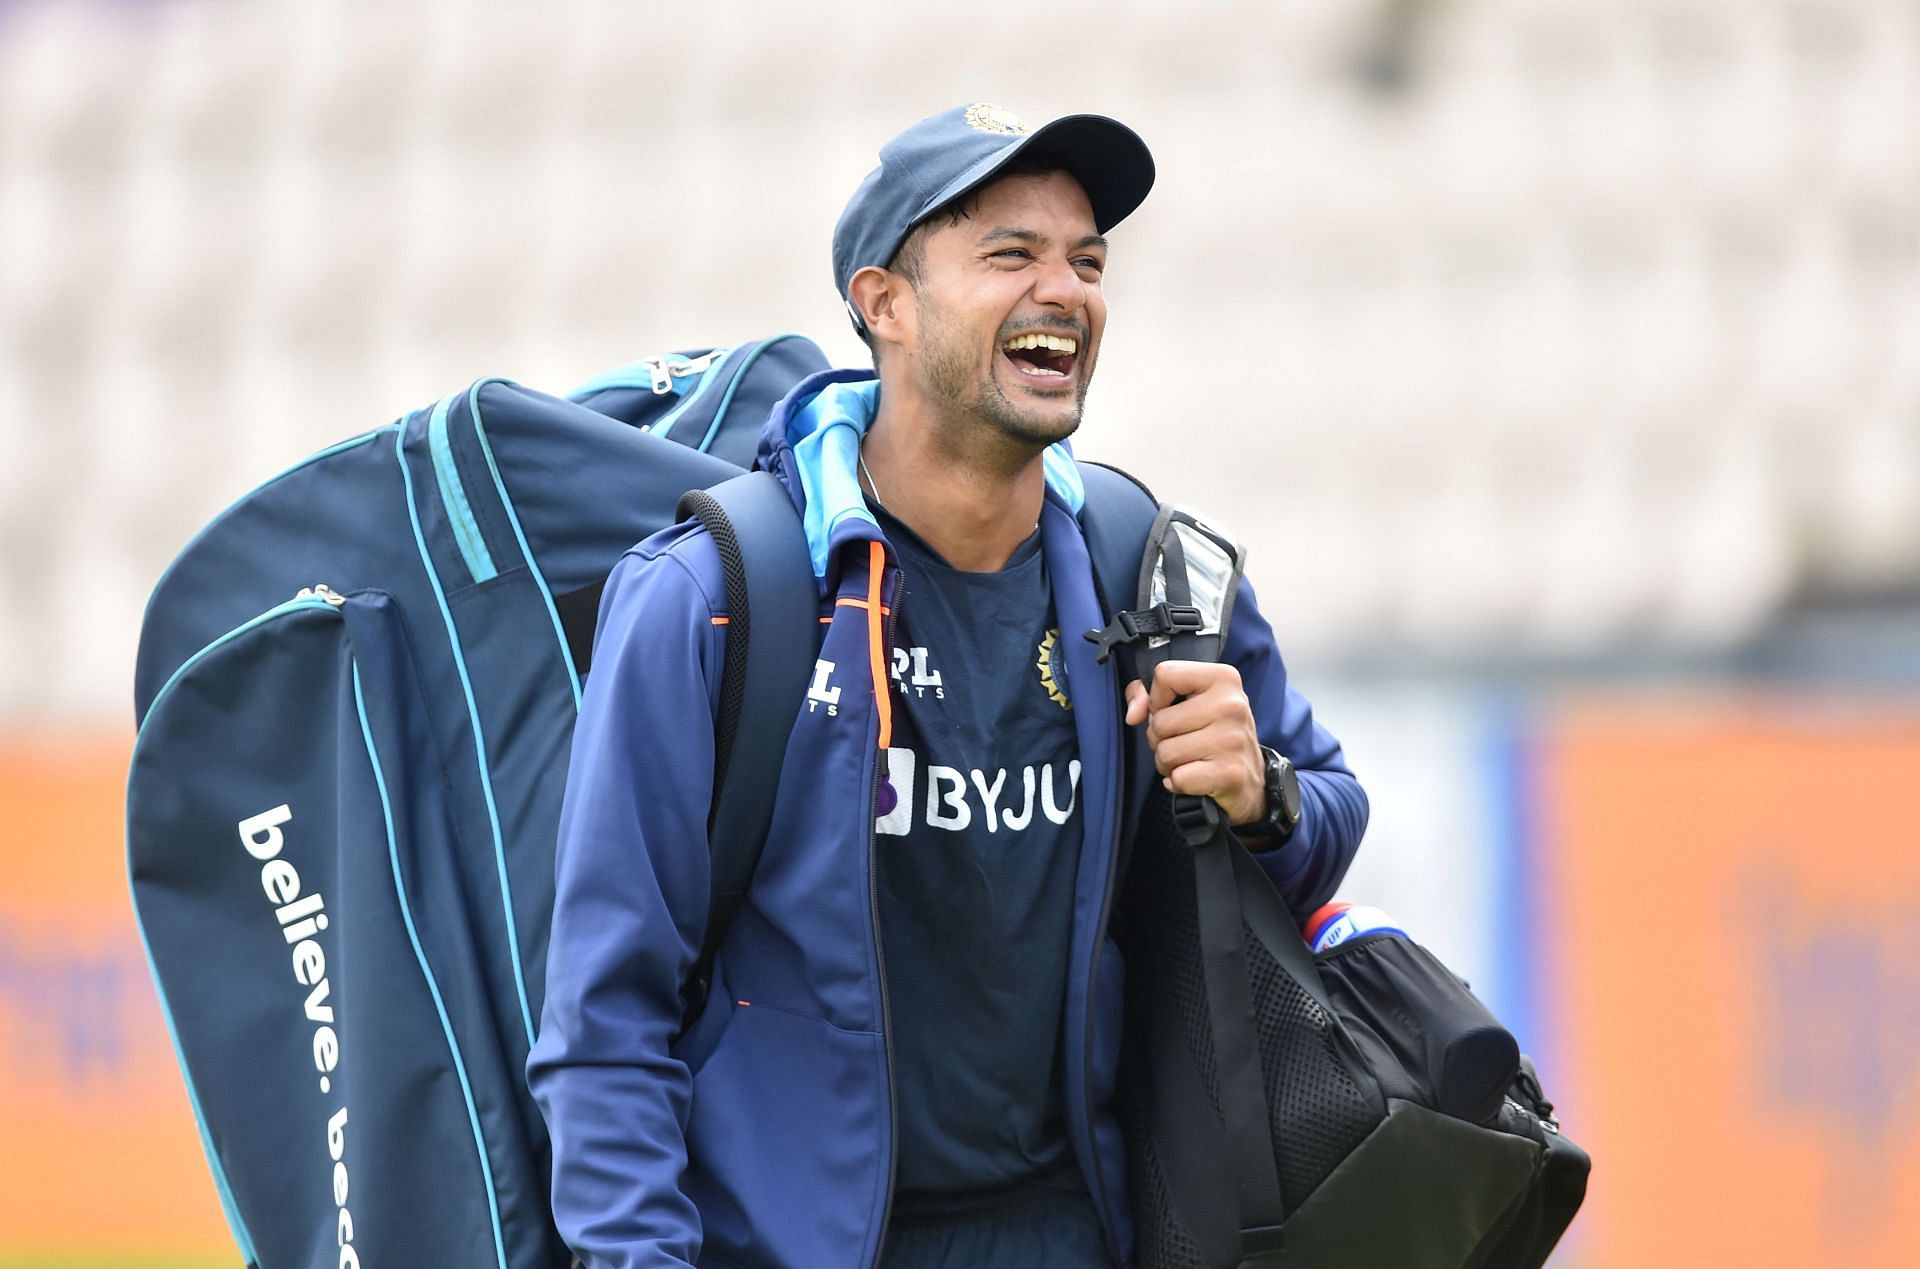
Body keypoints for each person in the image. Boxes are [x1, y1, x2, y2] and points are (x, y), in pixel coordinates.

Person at [527, 102, 1369, 1269]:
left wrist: (1260, 794)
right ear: (885, 305)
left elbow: (1326, 812)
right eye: (1010, 255)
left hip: (1085, 1235)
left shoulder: (1145, 563)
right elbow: (606, 1020)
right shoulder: (715, 595)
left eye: (1087, 261)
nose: (1065, 290)